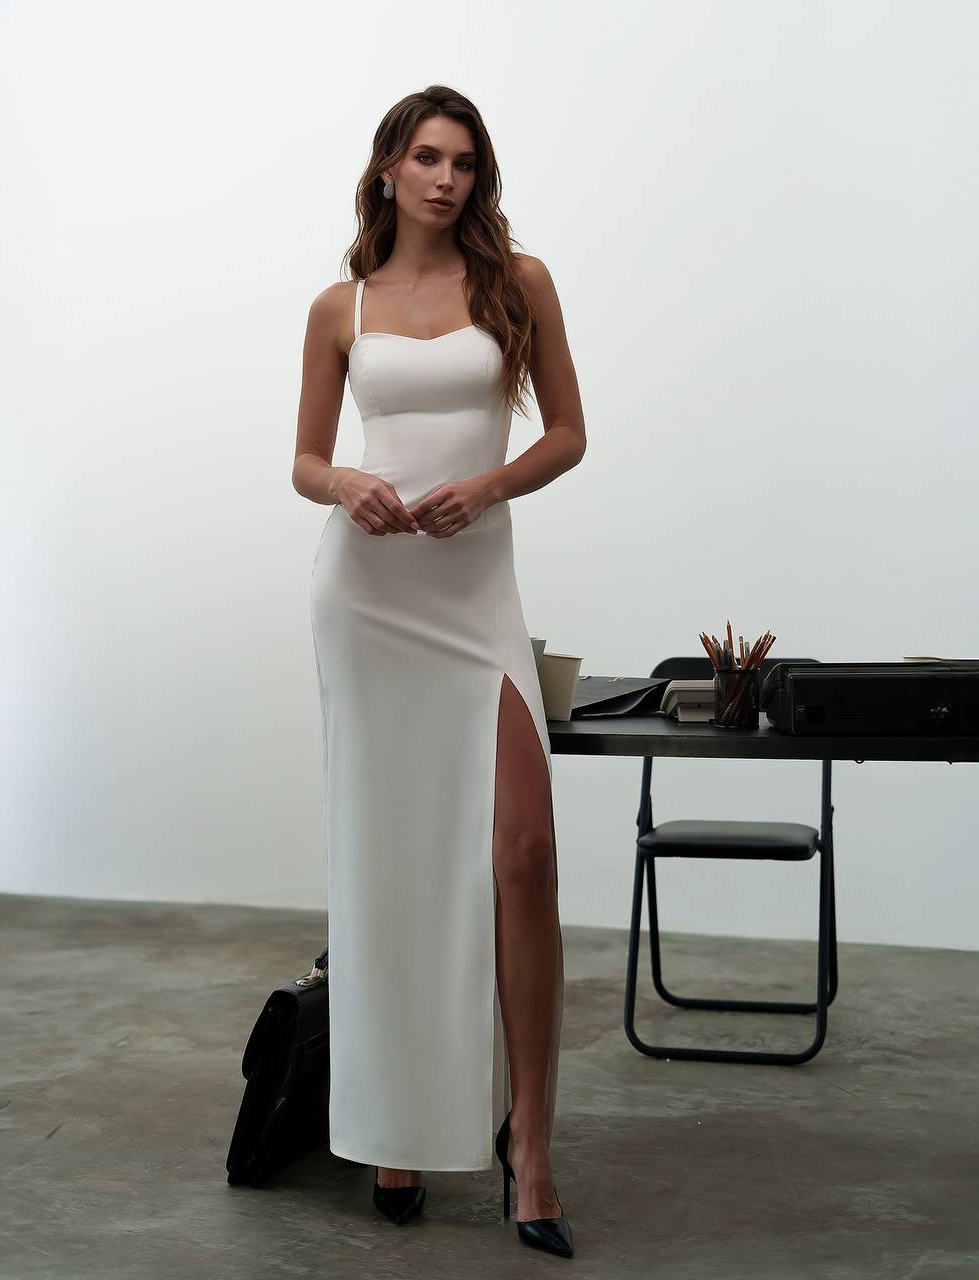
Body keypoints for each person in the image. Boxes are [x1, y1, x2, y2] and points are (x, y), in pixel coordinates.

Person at [292, 84, 586, 1258]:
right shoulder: (341, 305)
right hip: (367, 597)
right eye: (425, 156)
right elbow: (305, 459)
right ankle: (396, 1123)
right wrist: (344, 482)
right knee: (388, 859)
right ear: (388, 168)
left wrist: (490, 485)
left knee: (524, 852)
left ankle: (532, 1143)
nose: (445, 178)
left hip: (472, 595)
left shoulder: (519, 282)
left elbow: (565, 432)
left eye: (463, 161)